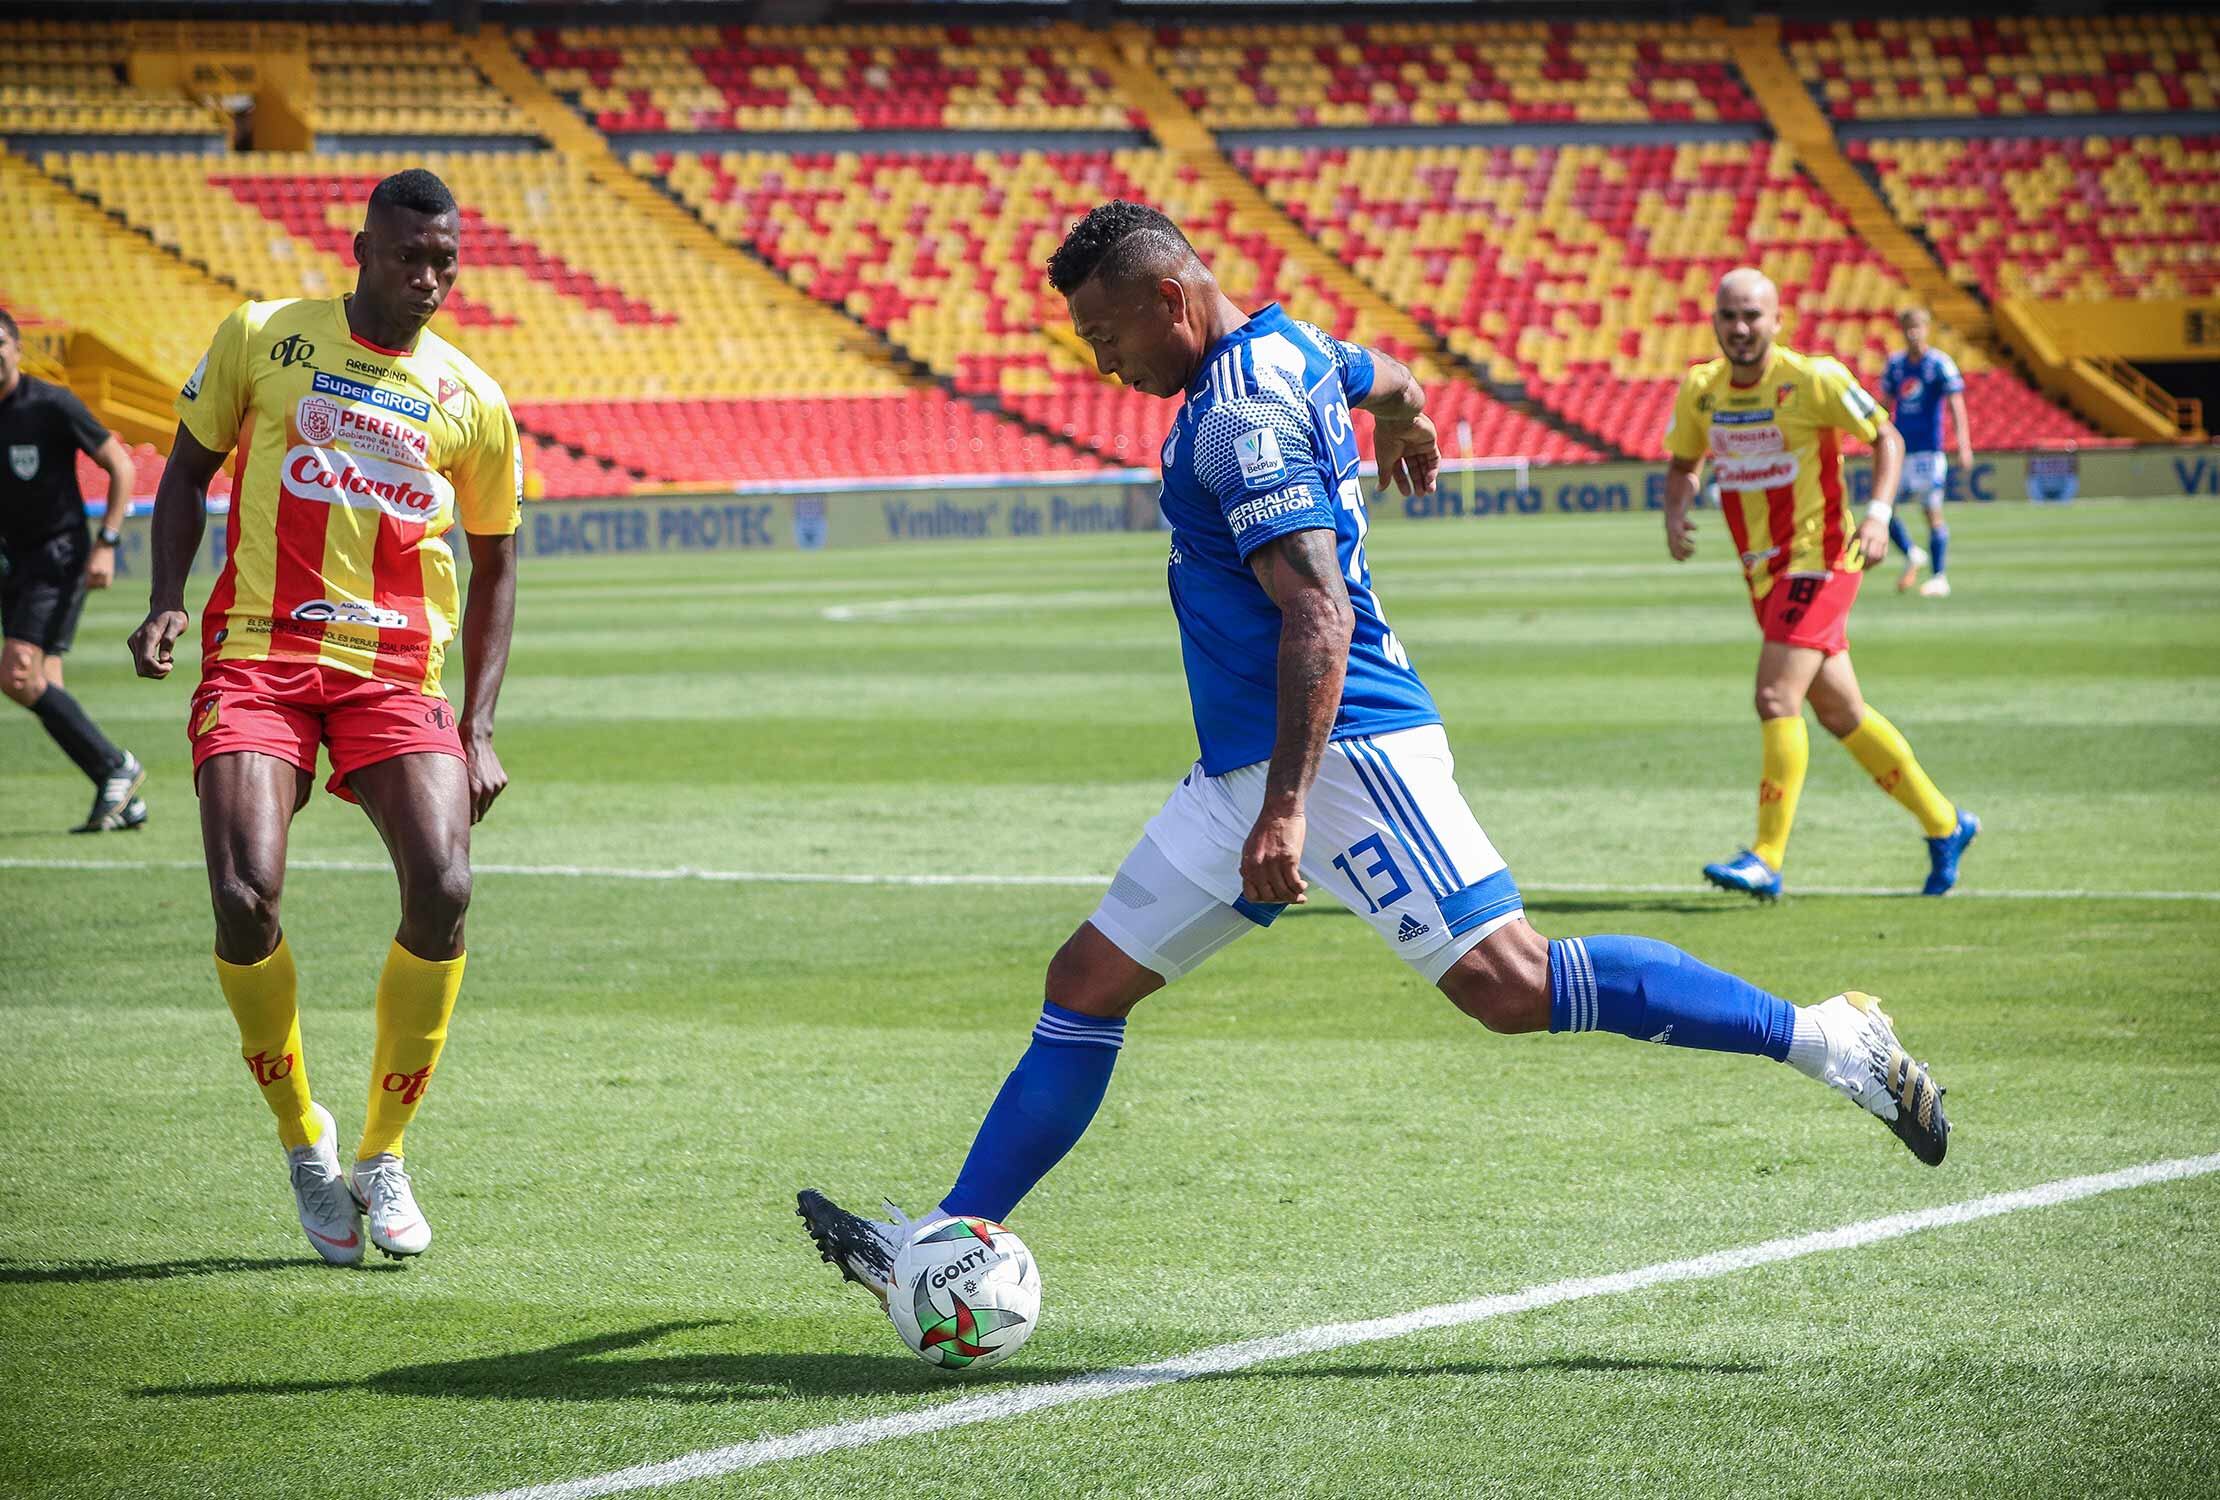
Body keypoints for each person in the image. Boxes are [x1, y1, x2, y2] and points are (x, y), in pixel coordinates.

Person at [796, 204, 1951, 1311]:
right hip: (1250, 764)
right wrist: (1405, 416)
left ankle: (1827, 1037)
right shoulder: (1289, 348)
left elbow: (1318, 615)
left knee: (1513, 986)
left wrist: (1288, 811)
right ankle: (943, 1244)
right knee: (1085, 985)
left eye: (1106, 336)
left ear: (1168, 297)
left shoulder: (1239, 417)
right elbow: (1381, 372)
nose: (1103, 365)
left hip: (1341, 754)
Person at [127, 170, 522, 1265]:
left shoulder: (472, 399)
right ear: (363, 248)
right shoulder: (263, 335)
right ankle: (306, 1138)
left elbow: (496, 566)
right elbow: (186, 471)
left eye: (446, 260)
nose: (429, 279)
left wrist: (478, 726)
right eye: (410, 257)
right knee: (245, 896)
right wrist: (167, 600)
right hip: (259, 656)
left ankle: (383, 1154)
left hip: (395, 671)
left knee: (444, 887)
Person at [1665, 270, 1977, 903]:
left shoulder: (1814, 380)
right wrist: (1677, 509)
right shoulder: (1701, 390)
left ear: (1778, 320)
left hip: (1824, 559)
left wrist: (1882, 512)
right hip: (1764, 572)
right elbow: (1683, 462)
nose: (1741, 327)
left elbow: (1884, 436)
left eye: (1753, 315)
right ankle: (1946, 824)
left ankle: (1767, 857)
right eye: (1729, 316)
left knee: (1776, 697)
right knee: (1840, 713)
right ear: (1716, 322)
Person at [0, 307, 147, 832]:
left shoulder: (50, 403)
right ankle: (122, 797)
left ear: (17, 348)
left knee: (17, 673)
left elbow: (121, 465)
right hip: (12, 560)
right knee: (43, 684)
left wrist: (107, 542)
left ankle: (116, 765)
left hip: (58, 555)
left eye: (0, 343)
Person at [1880, 307, 1972, 597]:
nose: (1913, 333)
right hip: (1900, 451)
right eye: (1908, 327)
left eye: (1917, 327)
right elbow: (1883, 404)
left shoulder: (1939, 364)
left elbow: (1956, 404)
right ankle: (1911, 553)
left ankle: (1939, 576)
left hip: (1929, 453)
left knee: (1931, 511)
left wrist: (1964, 444)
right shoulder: (1895, 365)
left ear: (1927, 329)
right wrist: (1877, 441)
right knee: (1884, 510)